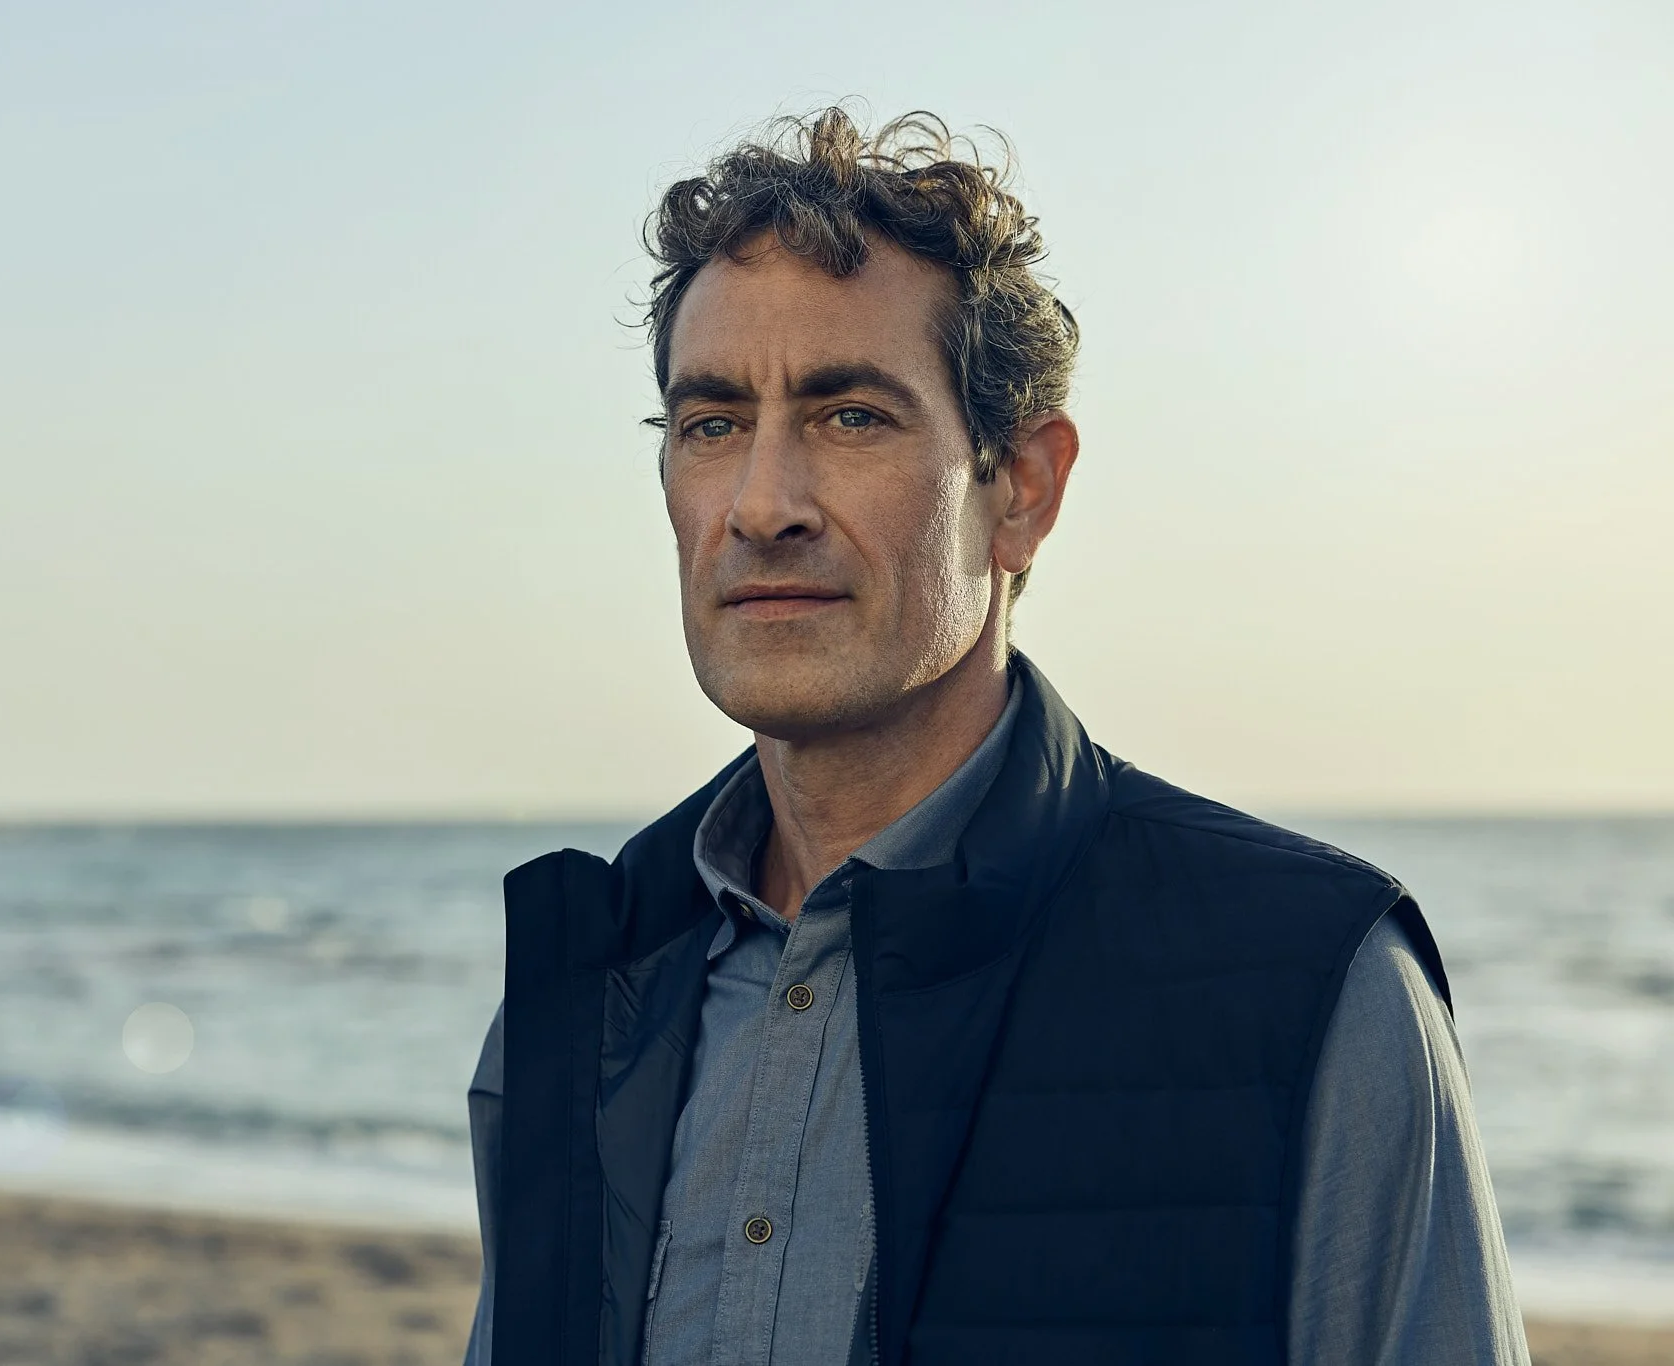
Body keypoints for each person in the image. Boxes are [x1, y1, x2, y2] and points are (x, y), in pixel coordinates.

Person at [462, 107, 1529, 1366]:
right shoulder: (588, 982)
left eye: (848, 414)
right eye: (710, 425)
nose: (760, 503)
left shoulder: (1310, 986)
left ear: (1020, 488)